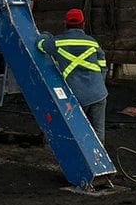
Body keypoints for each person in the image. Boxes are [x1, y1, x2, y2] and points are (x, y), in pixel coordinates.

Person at [37, 8, 108, 143]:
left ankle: (79, 159)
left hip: (76, 95)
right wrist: (99, 83)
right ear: (83, 24)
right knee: (98, 133)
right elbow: (102, 63)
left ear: (66, 24)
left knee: (77, 132)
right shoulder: (92, 42)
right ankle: (98, 161)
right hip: (99, 94)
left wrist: (46, 35)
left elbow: (40, 45)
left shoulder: (57, 43)